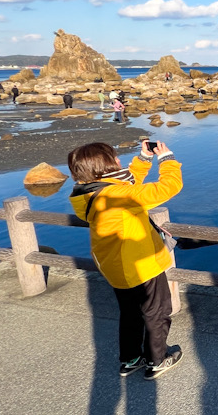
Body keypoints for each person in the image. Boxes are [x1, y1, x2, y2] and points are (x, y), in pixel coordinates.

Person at [67, 141, 184, 380]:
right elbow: (167, 188)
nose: (119, 161)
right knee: (156, 312)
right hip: (141, 264)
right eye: (115, 159)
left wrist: (143, 159)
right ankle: (157, 360)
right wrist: (167, 159)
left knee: (130, 313)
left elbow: (125, 184)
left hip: (114, 266)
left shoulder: (87, 192)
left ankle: (130, 359)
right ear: (106, 167)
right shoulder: (118, 195)